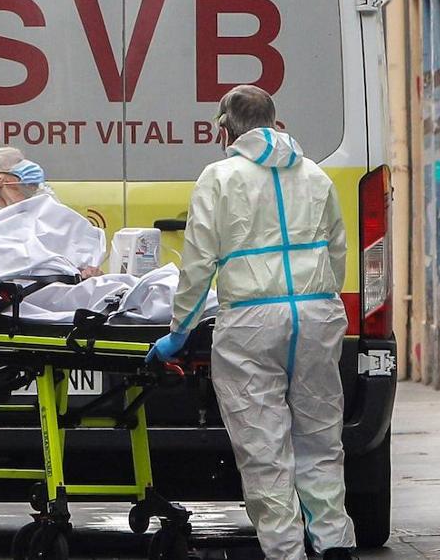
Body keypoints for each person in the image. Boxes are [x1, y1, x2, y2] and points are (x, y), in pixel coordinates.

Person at [147, 85, 358, 560]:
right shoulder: (315, 175)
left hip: (251, 323)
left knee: (265, 449)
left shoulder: (220, 178)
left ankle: (286, 552)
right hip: (316, 314)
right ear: (275, 123)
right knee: (321, 439)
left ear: (225, 129)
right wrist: (318, 300)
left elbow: (199, 262)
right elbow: (337, 250)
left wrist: (179, 331)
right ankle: (335, 545)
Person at [0, 146, 100, 280]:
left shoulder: (42, 210)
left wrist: (86, 270)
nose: (30, 166)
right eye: (18, 162)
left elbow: (72, 248)